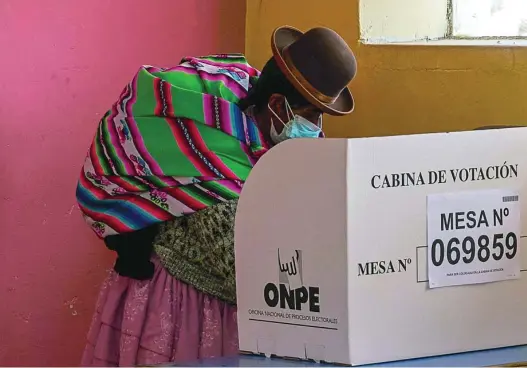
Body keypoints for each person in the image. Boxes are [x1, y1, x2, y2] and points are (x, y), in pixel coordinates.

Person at [76, 25, 357, 366]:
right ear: (277, 104)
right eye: (312, 116)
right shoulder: (212, 157)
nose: (317, 130)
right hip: (183, 309)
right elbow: (245, 268)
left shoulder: (255, 106)